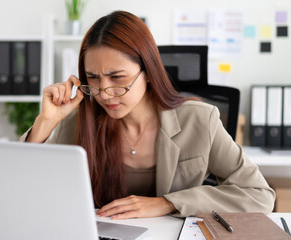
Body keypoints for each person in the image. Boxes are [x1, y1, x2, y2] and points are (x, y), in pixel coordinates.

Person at [20, 10, 275, 218]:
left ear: (149, 72)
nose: (105, 93)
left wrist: (168, 203)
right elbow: (23, 188)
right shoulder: (79, 120)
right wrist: (46, 122)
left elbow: (258, 194)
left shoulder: (200, 120)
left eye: (117, 77)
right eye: (93, 78)